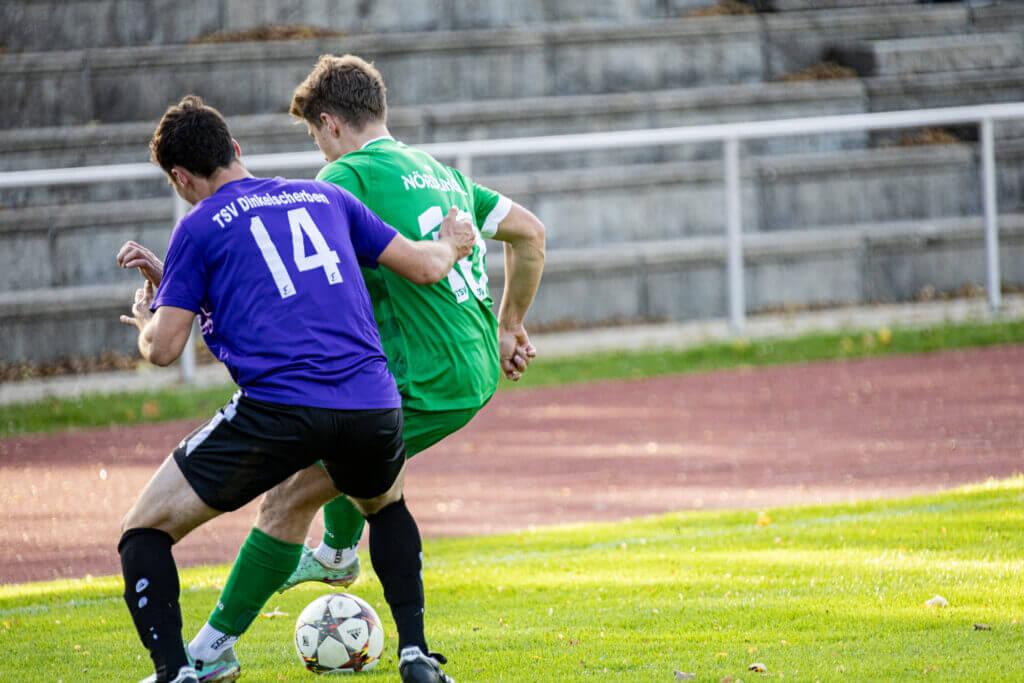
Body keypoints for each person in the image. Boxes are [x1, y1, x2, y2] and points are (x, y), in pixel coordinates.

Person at [118, 54, 546, 683]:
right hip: (408, 382)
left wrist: (156, 308)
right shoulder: (409, 178)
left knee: (252, 507)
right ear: (235, 148)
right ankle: (410, 645)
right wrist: (497, 310)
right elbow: (515, 237)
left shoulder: (333, 178)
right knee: (382, 500)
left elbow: (164, 347)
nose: (317, 150)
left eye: (314, 134)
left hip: (388, 382)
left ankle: (196, 658)